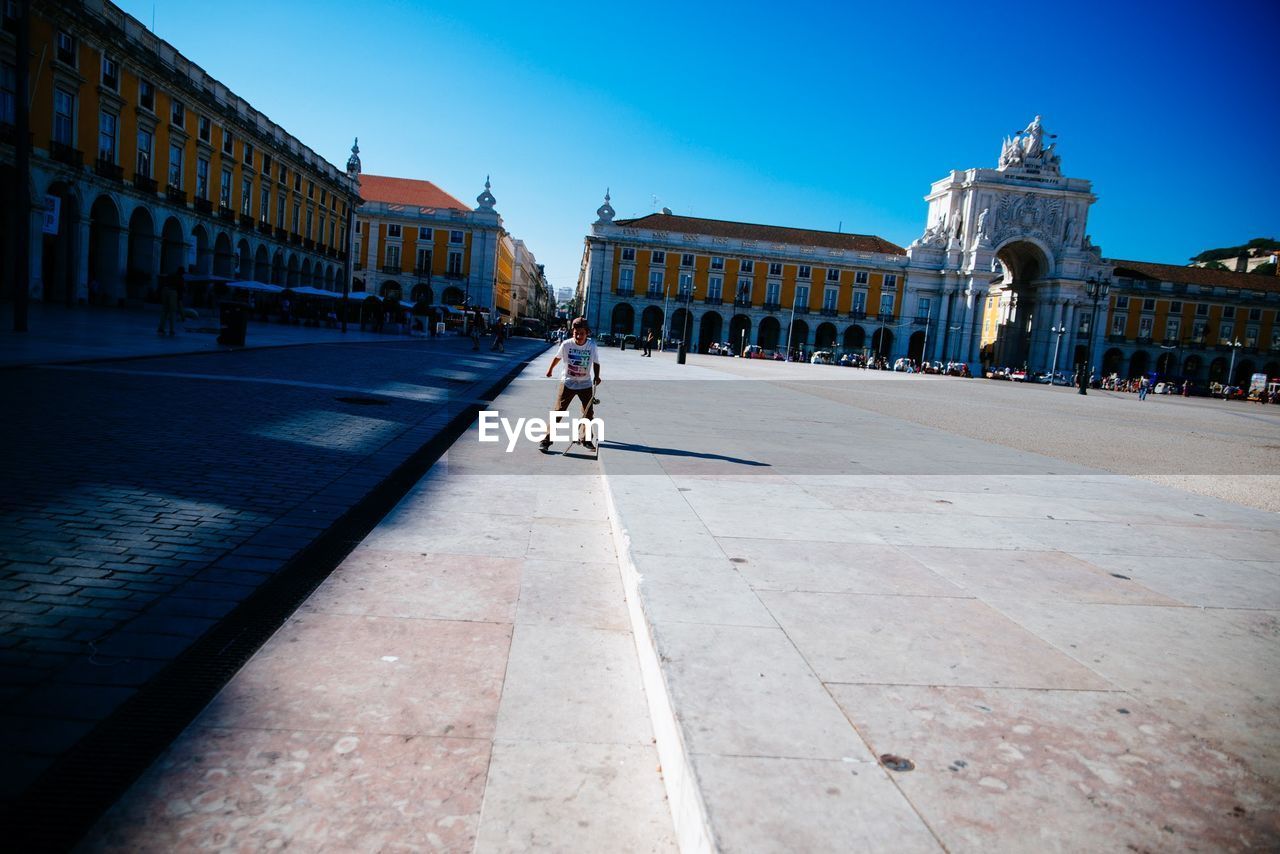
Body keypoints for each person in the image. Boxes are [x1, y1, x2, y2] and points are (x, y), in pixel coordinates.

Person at [541, 317, 601, 452]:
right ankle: (546, 440)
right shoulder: (566, 344)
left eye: (582, 333)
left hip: (585, 384)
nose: (578, 336)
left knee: (588, 413)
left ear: (587, 333)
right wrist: (550, 370)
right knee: (558, 411)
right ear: (572, 332)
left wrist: (597, 376)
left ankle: (585, 439)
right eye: (576, 333)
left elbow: (596, 362)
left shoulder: (592, 346)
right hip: (567, 382)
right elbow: (557, 357)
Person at [156, 271, 183, 336]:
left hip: (165, 290)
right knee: (172, 312)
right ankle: (172, 330)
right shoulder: (179, 278)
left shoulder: (169, 276)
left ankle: (161, 328)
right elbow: (180, 289)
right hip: (172, 292)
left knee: (164, 311)